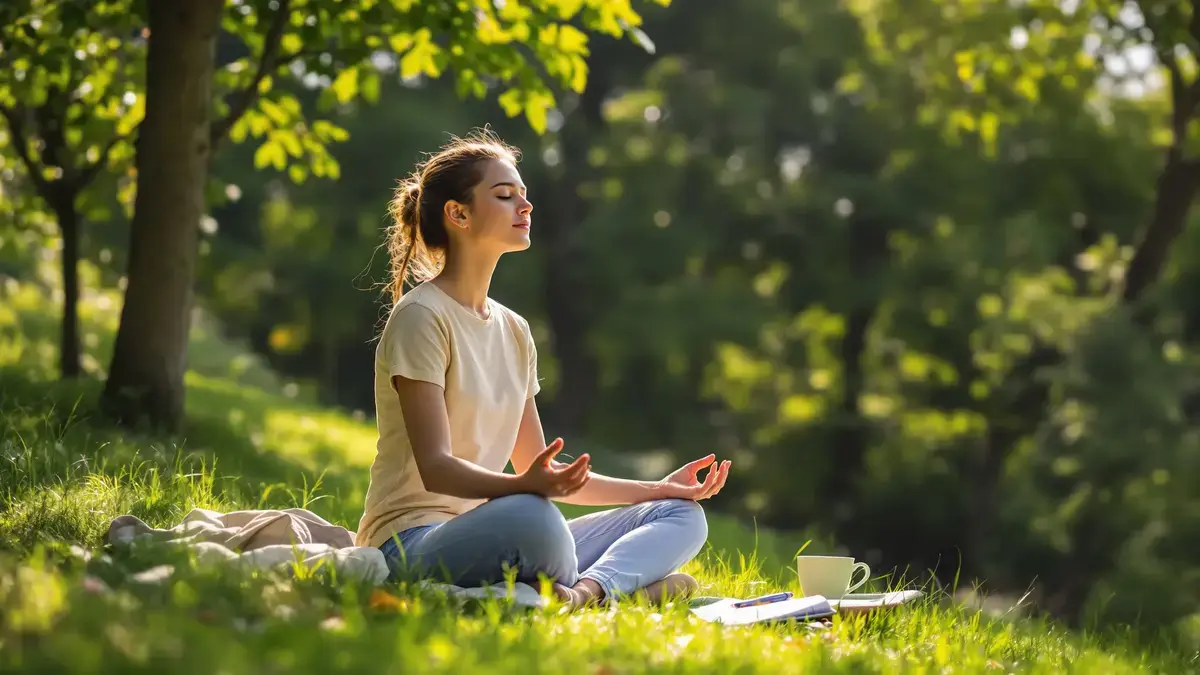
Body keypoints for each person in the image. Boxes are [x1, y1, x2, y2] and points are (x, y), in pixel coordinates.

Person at [356, 129, 731, 608]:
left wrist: (660, 488)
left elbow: (545, 471)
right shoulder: (421, 316)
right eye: (505, 195)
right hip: (410, 544)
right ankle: (620, 588)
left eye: (524, 194)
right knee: (535, 516)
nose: (525, 205)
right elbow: (437, 468)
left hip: (498, 531)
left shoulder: (514, 330)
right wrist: (523, 488)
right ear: (458, 214)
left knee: (680, 515)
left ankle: (586, 594)